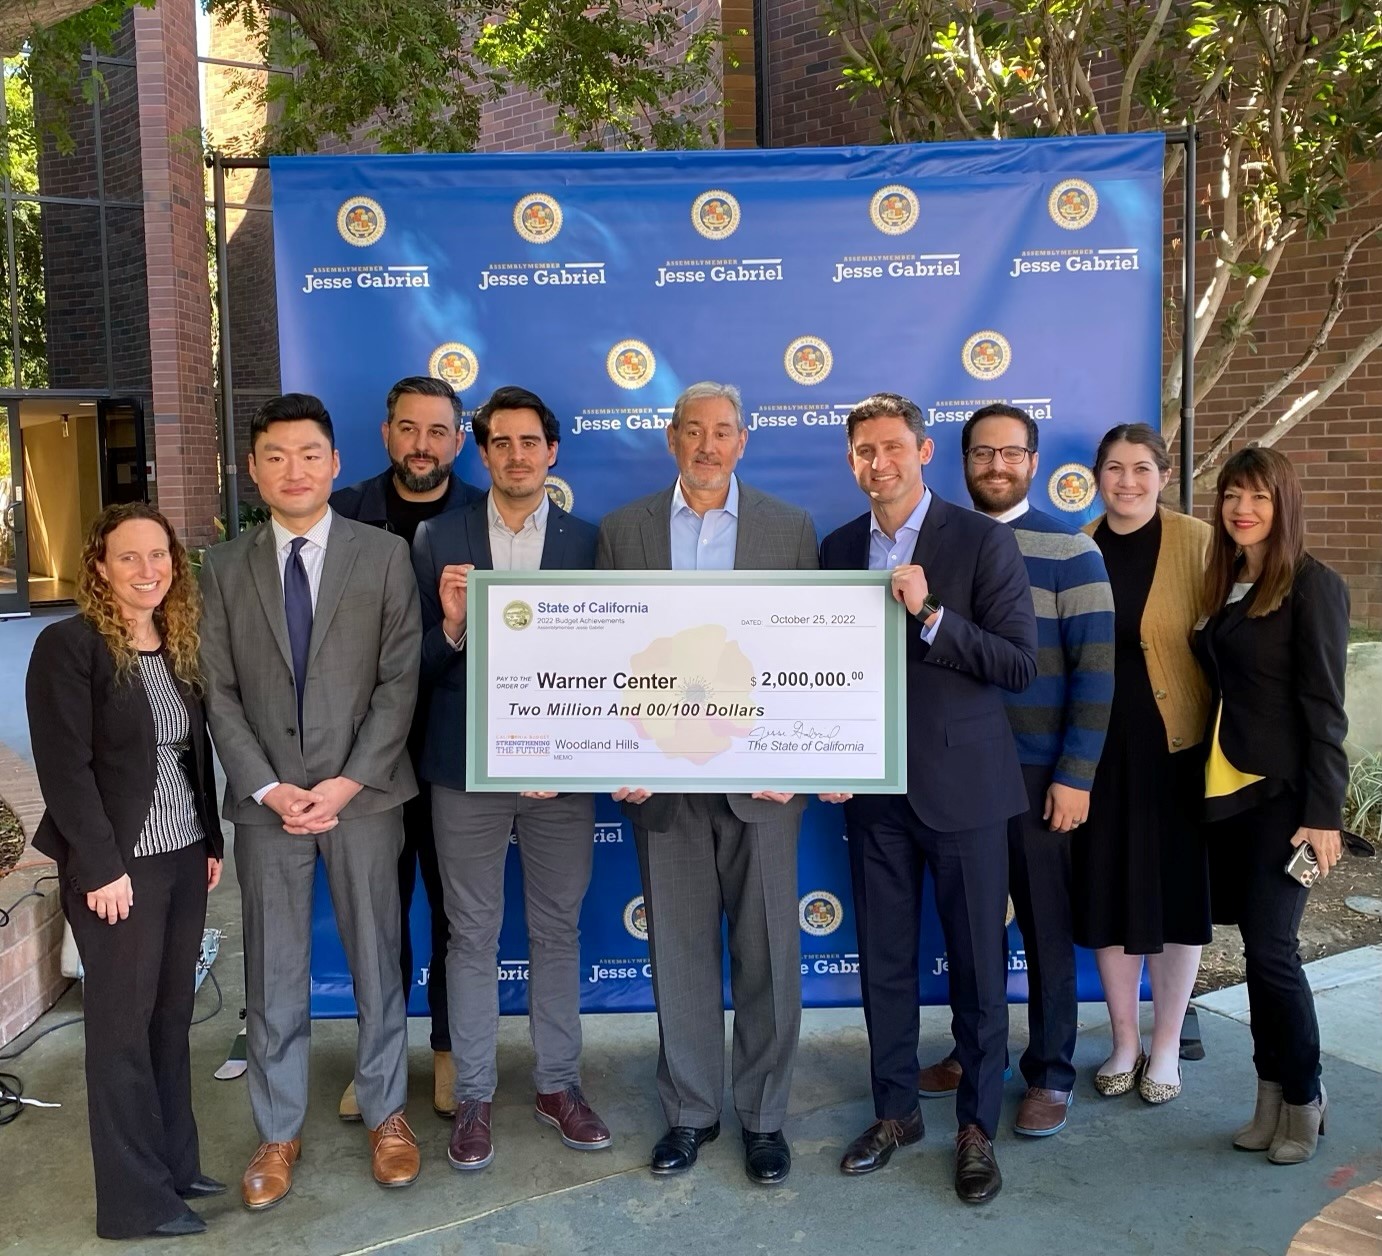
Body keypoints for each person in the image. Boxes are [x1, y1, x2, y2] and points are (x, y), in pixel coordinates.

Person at [199, 393, 422, 1209]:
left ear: (333, 463)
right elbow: (218, 692)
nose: (294, 469)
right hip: (269, 808)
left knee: (376, 964)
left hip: (363, 800)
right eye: (276, 456)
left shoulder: (384, 555)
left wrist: (345, 782)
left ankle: (389, 1116)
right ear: (253, 470)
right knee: (275, 973)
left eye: (309, 454)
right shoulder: (222, 567)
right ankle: (278, 1129)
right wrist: (268, 785)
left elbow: (400, 682)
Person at [595, 381, 818, 1186]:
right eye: (694, 430)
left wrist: (800, 756)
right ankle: (690, 1113)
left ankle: (764, 1119)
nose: (708, 445)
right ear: (671, 439)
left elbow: (807, 654)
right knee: (680, 954)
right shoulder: (624, 531)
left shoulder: (789, 529)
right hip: (664, 785)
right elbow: (608, 653)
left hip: (762, 786)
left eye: (723, 430)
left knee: (768, 952)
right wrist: (613, 752)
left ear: (744, 441)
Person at [819, 393, 1036, 1204]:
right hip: (873, 797)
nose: (880, 463)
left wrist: (933, 613)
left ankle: (976, 1127)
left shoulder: (980, 539)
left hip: (966, 795)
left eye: (893, 448)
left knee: (980, 972)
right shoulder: (838, 548)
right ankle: (896, 1112)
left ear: (924, 451)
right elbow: (821, 669)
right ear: (851, 463)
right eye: (865, 451)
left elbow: (1018, 663)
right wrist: (826, 750)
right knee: (883, 965)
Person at [411, 385, 610, 1171]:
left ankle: (559, 1085)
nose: (517, 456)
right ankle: (475, 1098)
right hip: (466, 771)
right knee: (470, 934)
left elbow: (610, 664)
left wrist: (567, 749)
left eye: (531, 443)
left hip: (561, 774)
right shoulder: (436, 537)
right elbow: (412, 669)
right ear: (481, 450)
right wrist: (453, 627)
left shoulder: (591, 542)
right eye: (501, 443)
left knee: (558, 931)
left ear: (551, 453)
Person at [26, 503, 225, 1240]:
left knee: (171, 1020)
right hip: (118, 869)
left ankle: (176, 1165)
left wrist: (210, 843)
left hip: (180, 858)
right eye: (129, 557)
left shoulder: (174, 641)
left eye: (160, 555)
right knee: (119, 1032)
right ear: (100, 567)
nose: (149, 570)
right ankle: (134, 1203)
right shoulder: (68, 646)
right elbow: (65, 769)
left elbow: (188, 754)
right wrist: (102, 867)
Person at [916, 404, 1114, 1138]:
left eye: (1010, 452)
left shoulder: (1071, 552)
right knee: (972, 934)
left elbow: (1097, 673)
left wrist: (1077, 774)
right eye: (981, 453)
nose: (995, 465)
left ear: (1032, 461)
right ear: (961, 462)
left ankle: (1052, 1073)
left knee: (1046, 931)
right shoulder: (934, 552)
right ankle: (976, 1058)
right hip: (958, 774)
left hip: (1037, 778)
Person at [330, 374, 483, 1121]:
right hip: (363, 761)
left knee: (456, 916)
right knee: (376, 916)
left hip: (453, 751)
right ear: (386, 433)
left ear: (459, 439)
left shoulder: (485, 516)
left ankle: (451, 1050)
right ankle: (378, 1056)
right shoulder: (340, 513)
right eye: (408, 428)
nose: (422, 444)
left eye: (438, 431)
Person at [1194, 446, 1349, 1164]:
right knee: (1257, 955)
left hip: (1287, 804)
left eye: (1257, 496)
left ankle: (1306, 1099)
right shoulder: (1228, 582)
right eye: (1231, 494)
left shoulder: (1313, 586)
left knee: (1276, 954)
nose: (1242, 508)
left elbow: (1324, 708)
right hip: (1231, 798)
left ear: (1283, 505)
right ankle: (1267, 1095)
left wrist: (1323, 814)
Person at [1073, 423, 1211, 1106]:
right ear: (1097, 475)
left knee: (1175, 899)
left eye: (1141, 469)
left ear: (1163, 474)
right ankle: (1124, 1040)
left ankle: (1166, 1046)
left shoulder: (1199, 543)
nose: (1128, 482)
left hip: (1175, 752)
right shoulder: (1080, 546)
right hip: (1096, 754)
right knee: (1107, 892)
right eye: (1114, 469)